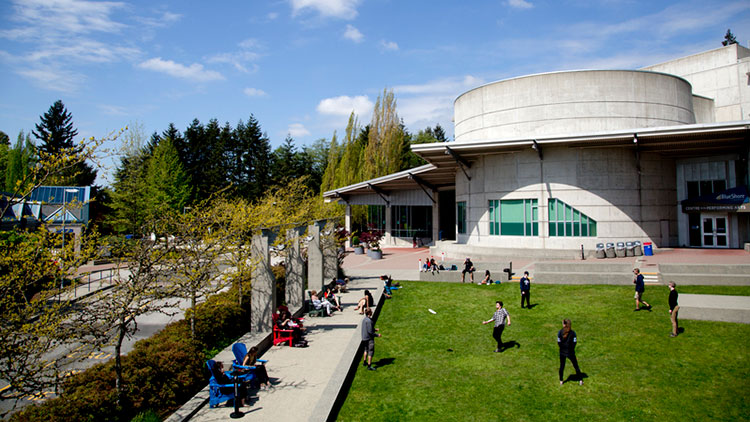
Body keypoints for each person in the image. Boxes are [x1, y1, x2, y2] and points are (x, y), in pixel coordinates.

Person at [557, 319, 583, 385]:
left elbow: (558, 342)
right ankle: (580, 380)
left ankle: (561, 380)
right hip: (570, 352)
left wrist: (562, 348)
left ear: (565, 324)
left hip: (562, 352)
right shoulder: (573, 333)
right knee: (575, 366)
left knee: (562, 366)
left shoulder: (560, 332)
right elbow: (574, 342)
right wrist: (571, 349)